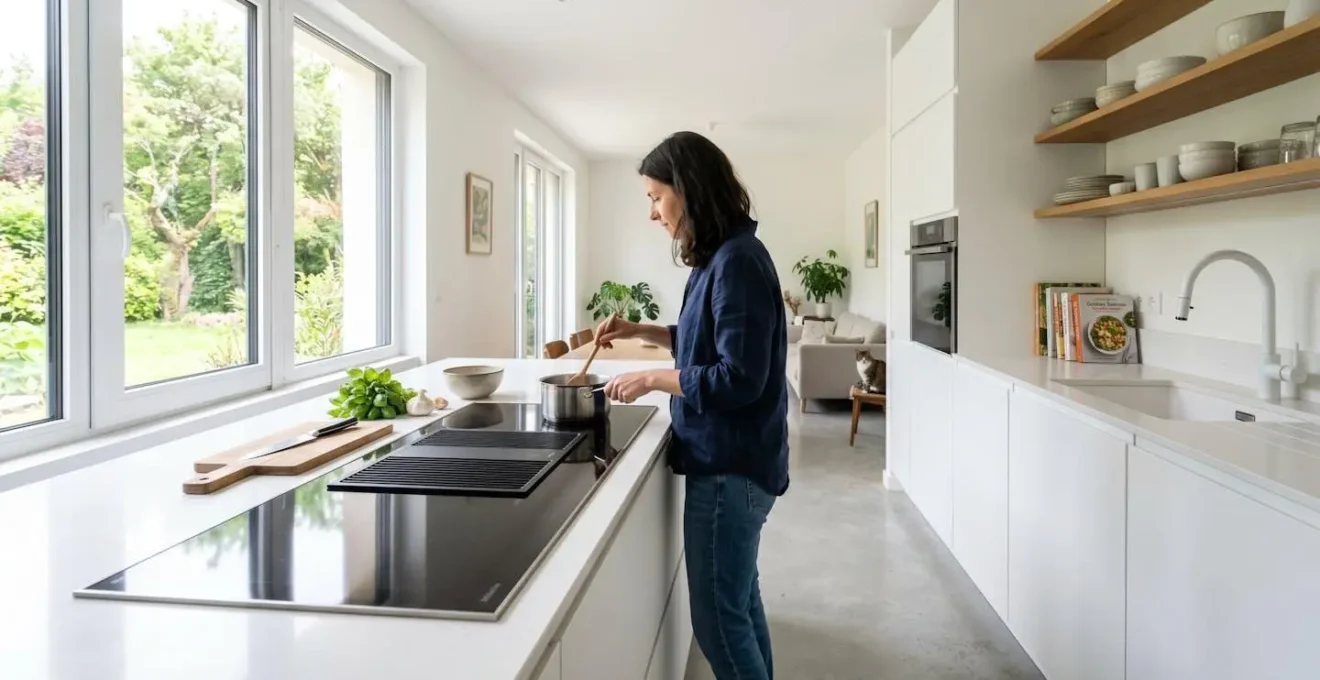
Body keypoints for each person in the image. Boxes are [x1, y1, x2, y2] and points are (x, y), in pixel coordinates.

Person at [598, 131, 789, 680]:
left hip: (731, 470)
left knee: (718, 621)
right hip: (739, 465)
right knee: (741, 604)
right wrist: (642, 331)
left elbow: (738, 378)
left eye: (657, 197)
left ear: (689, 190)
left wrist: (655, 378)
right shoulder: (724, 257)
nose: (654, 213)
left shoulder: (736, 262)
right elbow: (704, 337)